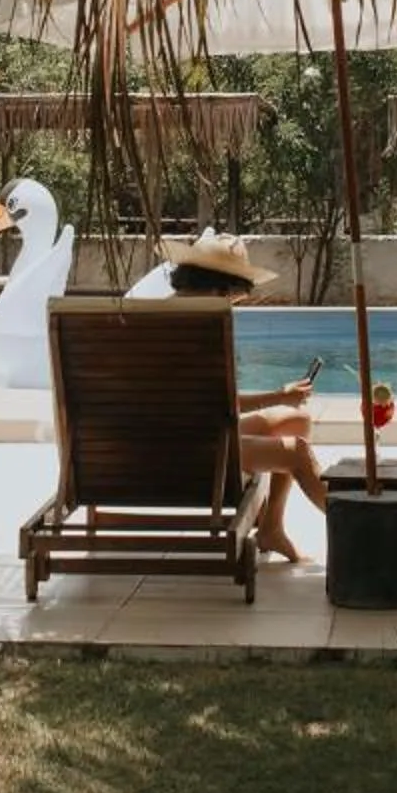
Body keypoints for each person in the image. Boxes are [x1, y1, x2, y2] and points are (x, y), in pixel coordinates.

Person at [127, 230, 328, 563]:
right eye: (237, 294)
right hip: (193, 455)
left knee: (296, 420)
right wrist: (278, 395)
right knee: (298, 453)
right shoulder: (202, 328)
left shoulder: (151, 317)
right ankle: (363, 531)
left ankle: (271, 529)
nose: (238, 301)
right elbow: (223, 405)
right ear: (222, 286)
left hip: (147, 446)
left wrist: (282, 399)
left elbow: (202, 403)